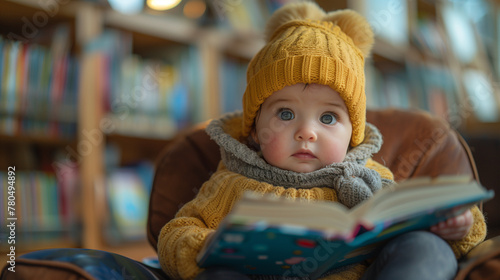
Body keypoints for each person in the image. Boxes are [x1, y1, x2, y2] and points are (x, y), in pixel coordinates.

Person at [157, 2, 486, 280]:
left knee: (425, 247)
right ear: (255, 130)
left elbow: (452, 228)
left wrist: (456, 225)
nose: (307, 132)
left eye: (328, 118)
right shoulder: (231, 182)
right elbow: (175, 234)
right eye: (285, 114)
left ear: (352, 135)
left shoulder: (369, 178)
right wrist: (209, 244)